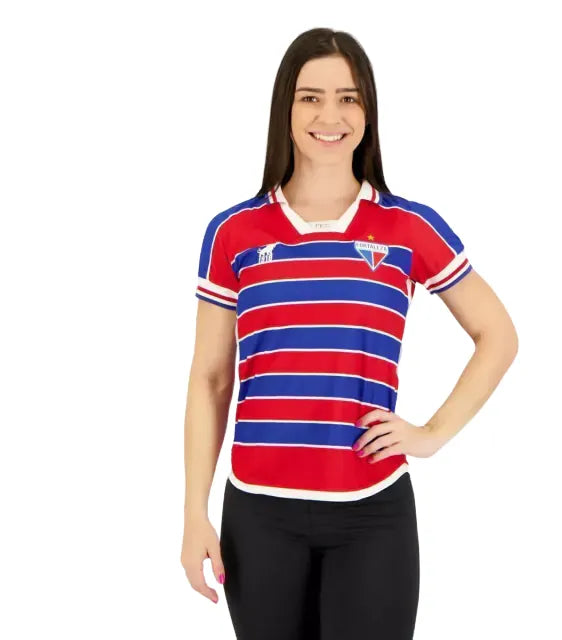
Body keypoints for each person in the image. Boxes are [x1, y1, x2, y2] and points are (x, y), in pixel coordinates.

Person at [181, 27, 518, 640]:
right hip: (258, 513)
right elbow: (210, 380)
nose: (329, 116)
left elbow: (497, 334)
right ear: (285, 110)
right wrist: (193, 513)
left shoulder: (408, 227)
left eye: (348, 98)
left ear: (368, 112)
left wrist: (431, 434)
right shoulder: (232, 232)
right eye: (310, 98)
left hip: (373, 514)